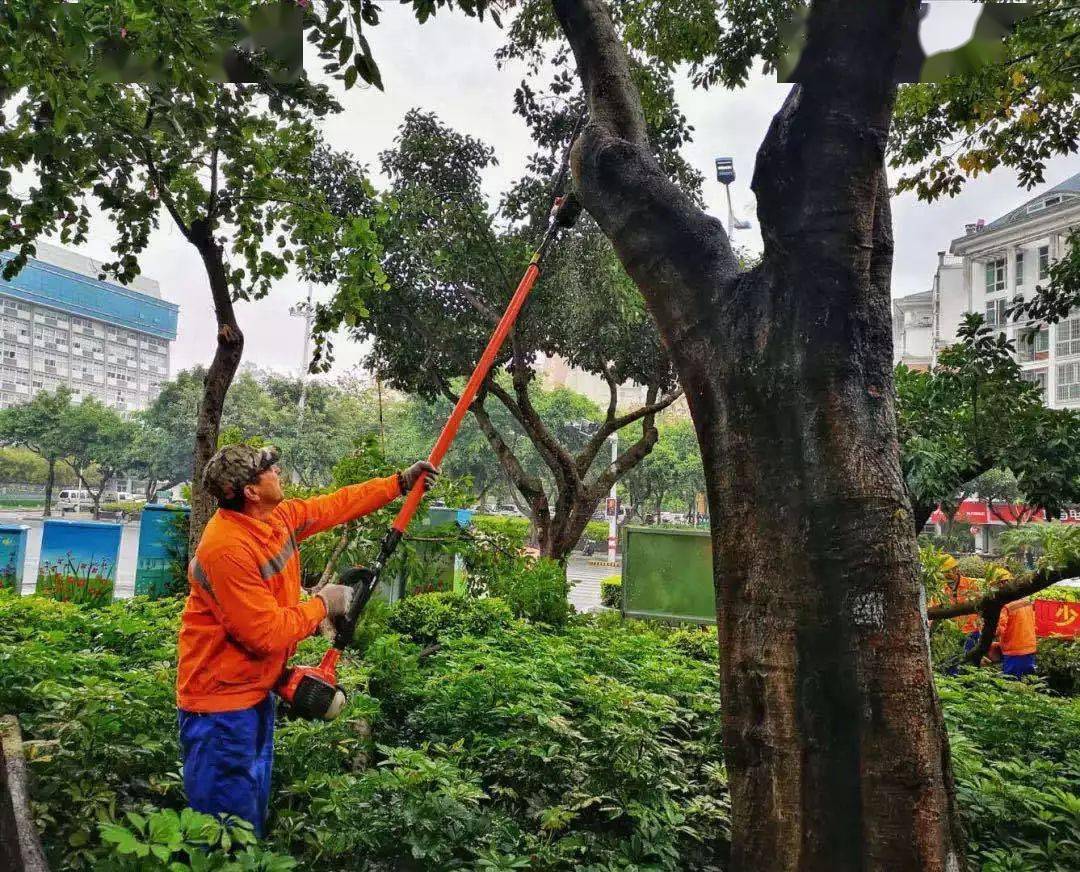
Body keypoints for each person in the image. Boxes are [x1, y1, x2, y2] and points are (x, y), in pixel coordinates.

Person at [175, 444, 438, 836]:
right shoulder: (226, 548)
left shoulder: (274, 518)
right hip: (220, 711)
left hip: (254, 695)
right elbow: (265, 633)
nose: (277, 469)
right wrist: (322, 604)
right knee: (223, 833)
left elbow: (334, 505)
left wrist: (399, 483)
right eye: (268, 467)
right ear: (250, 490)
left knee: (249, 820)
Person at [987, 568, 1037, 680]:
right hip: (1029, 647)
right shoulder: (1025, 599)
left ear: (1002, 583)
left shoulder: (1005, 605)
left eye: (994, 586)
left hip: (1014, 650)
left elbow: (999, 630)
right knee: (1027, 682)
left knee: (1012, 684)